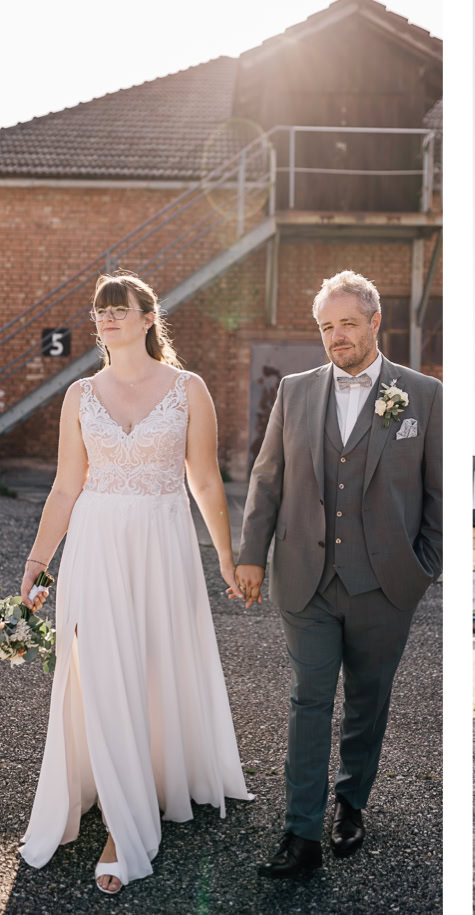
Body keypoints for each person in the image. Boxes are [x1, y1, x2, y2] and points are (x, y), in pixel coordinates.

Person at [18, 274, 253, 894]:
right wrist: (37, 559)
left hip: (161, 544)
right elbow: (67, 486)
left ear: (150, 318)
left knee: (148, 667)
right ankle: (115, 810)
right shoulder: (78, 395)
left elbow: (204, 481)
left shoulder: (188, 389)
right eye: (101, 311)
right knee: (100, 671)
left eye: (120, 310)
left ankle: (139, 800)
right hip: (95, 545)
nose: (108, 319)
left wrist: (227, 559)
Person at [237, 270, 442, 878]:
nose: (336, 337)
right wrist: (253, 552)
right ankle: (300, 833)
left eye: (347, 324)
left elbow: (438, 494)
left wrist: (421, 569)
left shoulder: (424, 396)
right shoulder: (295, 392)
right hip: (306, 578)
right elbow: (266, 477)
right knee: (309, 700)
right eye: (327, 327)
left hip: (386, 585)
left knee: (368, 703)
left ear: (376, 322)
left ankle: (350, 804)